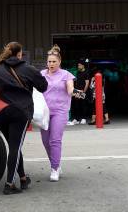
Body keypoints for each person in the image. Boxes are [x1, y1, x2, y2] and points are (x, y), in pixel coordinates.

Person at [0, 41, 47, 195]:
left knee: (14, 146)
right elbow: (43, 87)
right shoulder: (28, 69)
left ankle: (24, 179)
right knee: (15, 147)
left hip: (0, 112)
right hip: (19, 111)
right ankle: (9, 184)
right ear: (20, 54)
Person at [40, 45, 75, 182]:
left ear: (59, 62)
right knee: (45, 141)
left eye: (54, 61)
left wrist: (74, 92)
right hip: (44, 111)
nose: (51, 64)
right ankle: (56, 164)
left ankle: (54, 169)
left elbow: (70, 88)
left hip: (60, 111)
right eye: (49, 61)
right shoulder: (41, 74)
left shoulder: (66, 74)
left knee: (55, 140)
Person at [70, 58, 90, 125]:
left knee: (83, 105)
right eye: (78, 65)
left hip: (82, 91)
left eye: (79, 65)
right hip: (77, 90)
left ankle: (83, 118)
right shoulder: (78, 72)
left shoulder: (86, 72)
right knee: (76, 105)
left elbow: (87, 83)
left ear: (83, 65)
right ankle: (76, 119)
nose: (78, 66)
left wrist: (84, 91)